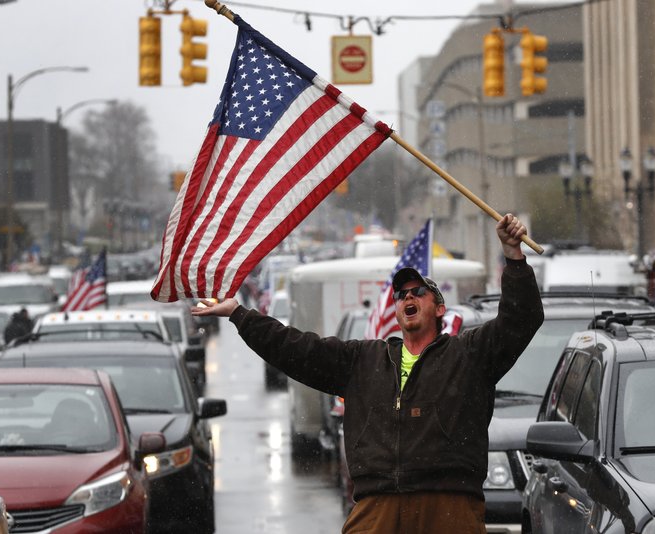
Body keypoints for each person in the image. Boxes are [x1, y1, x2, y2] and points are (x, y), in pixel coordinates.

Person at [192, 214, 544, 534]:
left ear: (438, 309)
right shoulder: (364, 359)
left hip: (449, 507)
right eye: (400, 294)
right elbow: (295, 349)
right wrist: (240, 314)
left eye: (418, 292)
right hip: (377, 506)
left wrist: (513, 257)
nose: (408, 297)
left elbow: (521, 320)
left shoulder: (467, 355)